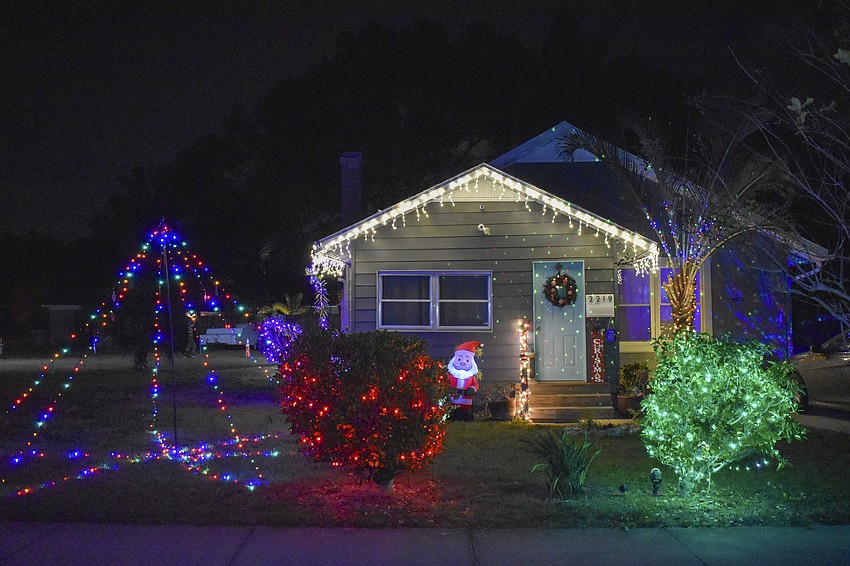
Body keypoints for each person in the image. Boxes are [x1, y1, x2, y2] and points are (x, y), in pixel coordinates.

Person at [447, 341, 482, 420]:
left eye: (467, 361)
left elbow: (476, 386)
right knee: (452, 414)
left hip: (466, 403)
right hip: (452, 402)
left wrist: (473, 389)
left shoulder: (470, 376)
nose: (463, 363)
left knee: (465, 415)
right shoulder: (451, 375)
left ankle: (465, 415)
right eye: (459, 359)